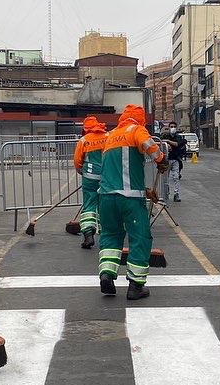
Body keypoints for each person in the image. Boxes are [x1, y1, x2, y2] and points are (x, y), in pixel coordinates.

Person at [97, 104, 168, 300]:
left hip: (106, 197)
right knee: (140, 237)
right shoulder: (136, 130)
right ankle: (136, 286)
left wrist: (144, 190)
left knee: (110, 236)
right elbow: (148, 145)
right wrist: (160, 159)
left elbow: (117, 172)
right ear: (140, 120)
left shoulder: (111, 136)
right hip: (129, 199)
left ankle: (107, 275)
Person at [73, 116, 108, 249]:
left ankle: (88, 234)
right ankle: (106, 234)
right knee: (104, 204)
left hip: (89, 177)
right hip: (107, 176)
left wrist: (80, 171)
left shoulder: (84, 140)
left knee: (89, 204)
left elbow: (77, 161)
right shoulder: (109, 136)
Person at [162, 121, 187, 202]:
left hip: (176, 160)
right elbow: (160, 141)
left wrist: (168, 142)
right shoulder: (165, 135)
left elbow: (177, 144)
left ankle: (176, 194)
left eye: (174, 127)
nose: (172, 128)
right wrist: (166, 144)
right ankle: (166, 193)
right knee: (165, 178)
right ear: (168, 128)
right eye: (171, 126)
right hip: (167, 160)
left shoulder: (178, 137)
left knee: (176, 177)